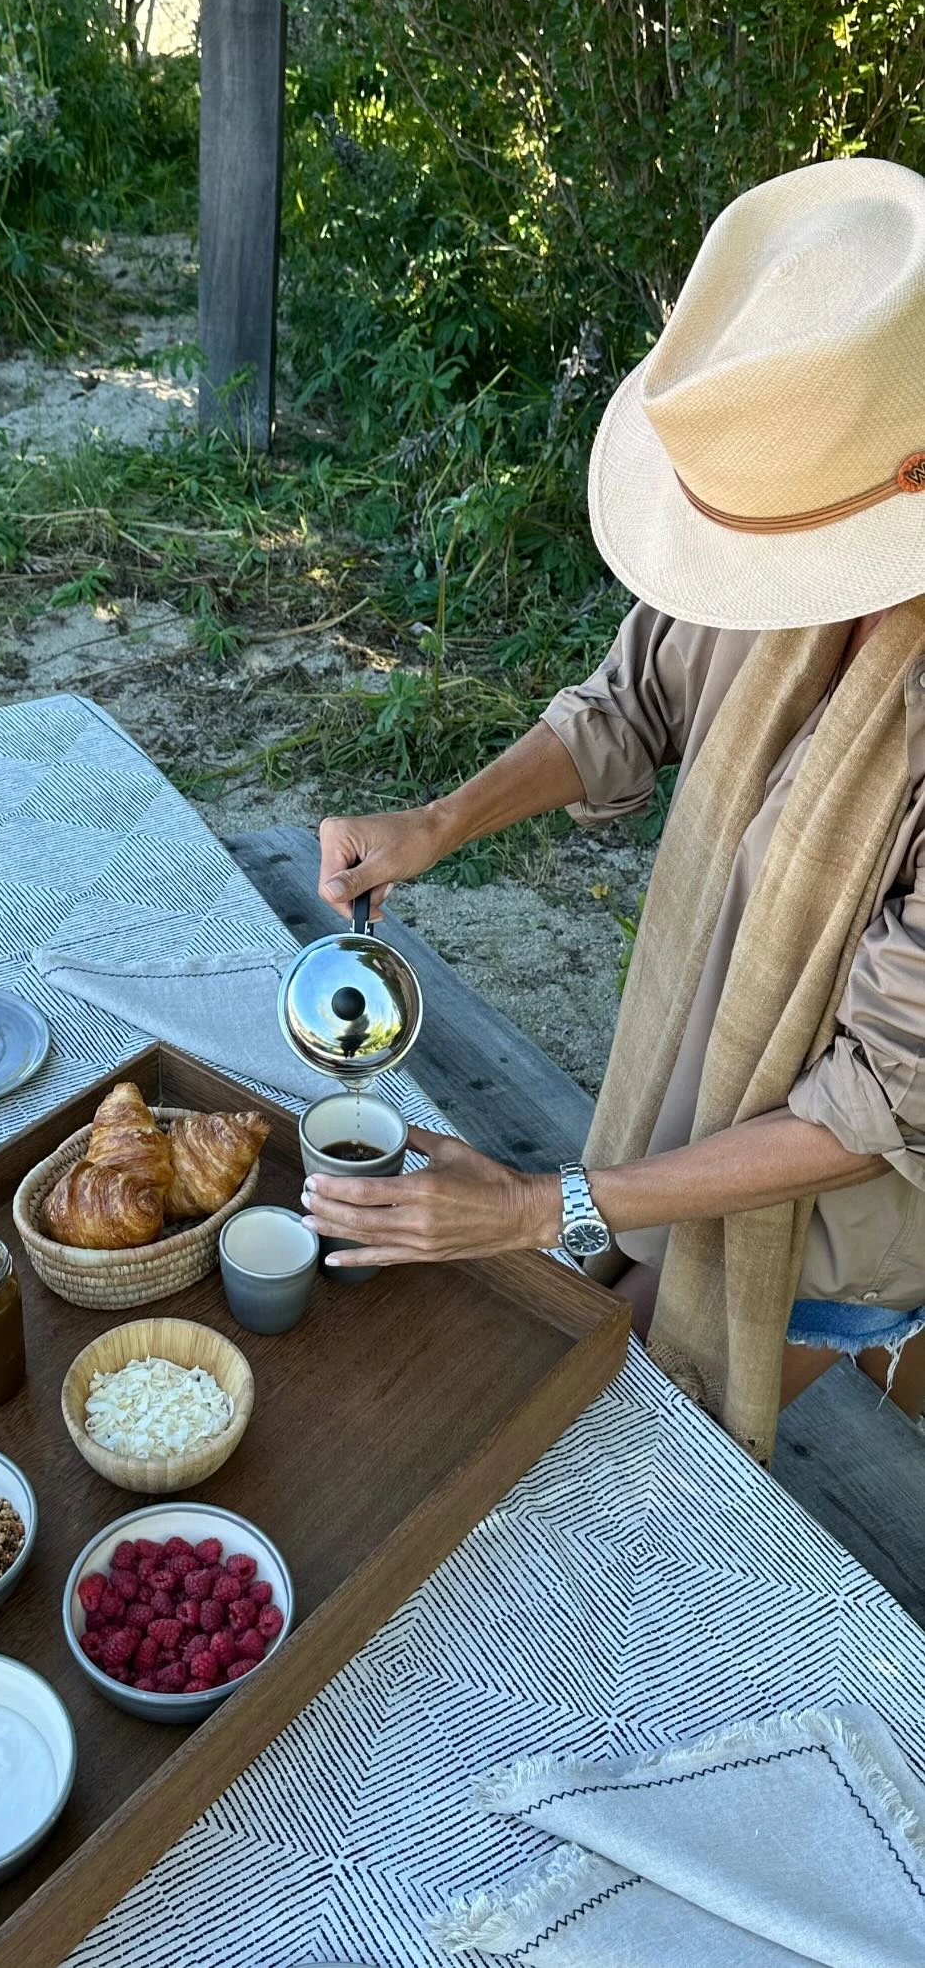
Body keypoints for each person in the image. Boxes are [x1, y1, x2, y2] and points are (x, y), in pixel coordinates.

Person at [304, 156, 925, 1462]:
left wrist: (547, 1208)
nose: (759, 574)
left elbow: (878, 1097)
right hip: (700, 1114)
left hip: (845, 1211)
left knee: (610, 1450)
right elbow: (629, 704)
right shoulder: (789, 535)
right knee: (565, 1365)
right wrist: (439, 821)